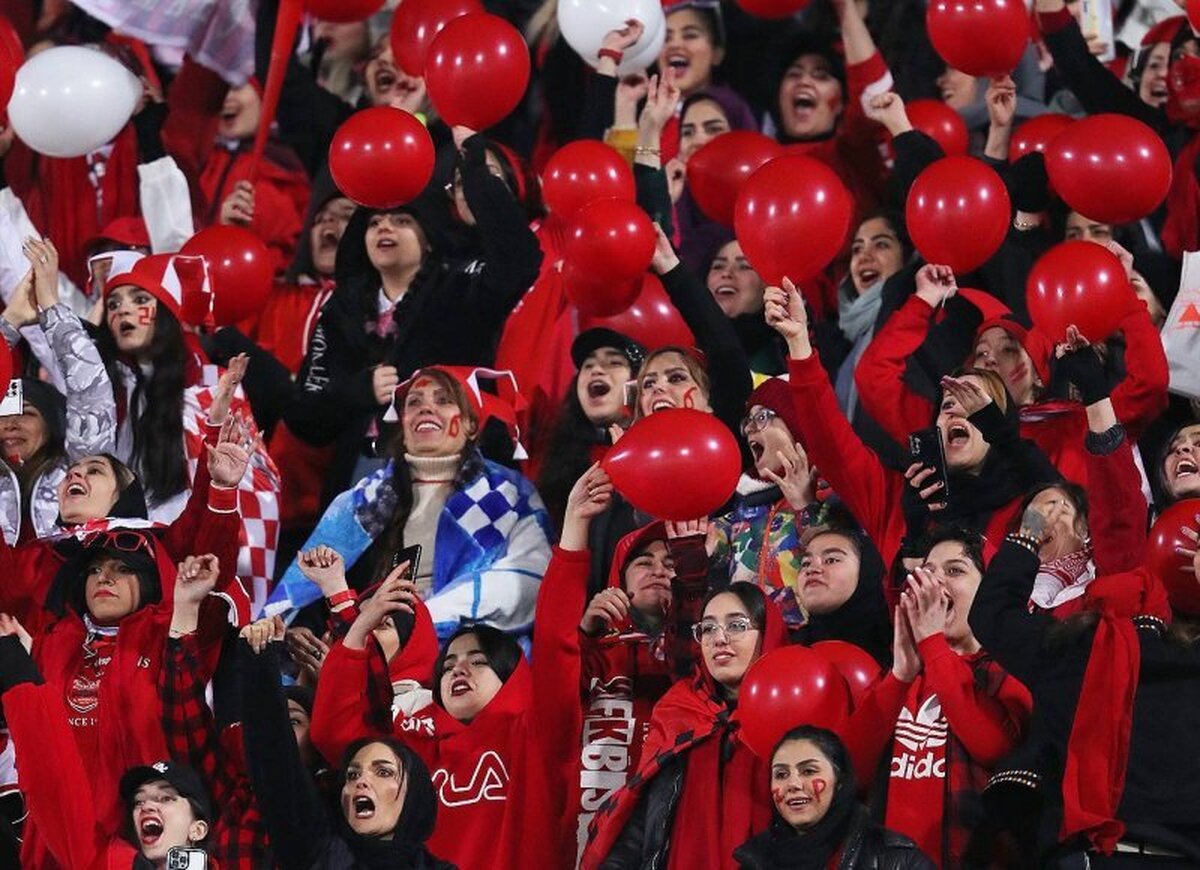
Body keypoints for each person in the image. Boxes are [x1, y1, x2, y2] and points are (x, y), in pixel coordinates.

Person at [309, 517, 584, 870]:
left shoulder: (537, 739)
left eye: (479, 661)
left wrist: (576, 530)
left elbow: (556, 642)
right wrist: (357, 619)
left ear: (513, 676)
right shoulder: (410, 742)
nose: (459, 669)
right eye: (450, 662)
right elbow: (333, 734)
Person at [283, 130, 543, 504]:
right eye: (374, 223)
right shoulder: (342, 310)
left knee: (430, 564)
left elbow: (520, 261)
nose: (384, 228)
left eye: (401, 221)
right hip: (363, 477)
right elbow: (303, 414)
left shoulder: (460, 290)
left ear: (429, 239)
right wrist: (358, 391)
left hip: (453, 478)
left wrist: (473, 163)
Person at [766, 275, 1060, 568]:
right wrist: (799, 342)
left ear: (998, 425)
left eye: (974, 403)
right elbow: (830, 442)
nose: (956, 411)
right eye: (947, 404)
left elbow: (1063, 509)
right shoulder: (896, 501)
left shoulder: (1028, 508)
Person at [969, 500, 1200, 865]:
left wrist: (1029, 532)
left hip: (1087, 856)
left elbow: (991, 613)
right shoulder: (1189, 659)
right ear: (1164, 612)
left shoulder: (1065, 652)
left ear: (1090, 606)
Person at [273, 366, 552, 644]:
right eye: (414, 402)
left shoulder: (511, 494)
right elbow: (298, 587)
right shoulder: (362, 501)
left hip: (472, 655)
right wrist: (283, 629)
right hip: (379, 650)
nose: (426, 408)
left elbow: (528, 581)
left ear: (470, 425)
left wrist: (419, 622)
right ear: (403, 425)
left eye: (443, 400)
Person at [0, 548, 227, 868]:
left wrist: (187, 607)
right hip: (60, 835)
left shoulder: (161, 637)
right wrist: (18, 664)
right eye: (93, 570)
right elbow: (45, 760)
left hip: (122, 842)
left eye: (122, 568)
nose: (104, 578)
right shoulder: (55, 642)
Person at [843, 527, 1032, 867]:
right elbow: (850, 773)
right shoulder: (901, 677)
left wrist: (933, 644)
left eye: (955, 570)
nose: (935, 583)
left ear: (989, 592)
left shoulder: (1008, 670)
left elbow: (993, 747)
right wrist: (900, 674)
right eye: (928, 572)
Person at [582, 583, 788, 869]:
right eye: (708, 628)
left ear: (768, 633)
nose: (719, 639)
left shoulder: (793, 714)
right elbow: (641, 822)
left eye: (737, 625)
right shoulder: (678, 709)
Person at [236, 617, 454, 869]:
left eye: (384, 771)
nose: (360, 781)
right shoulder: (319, 853)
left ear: (415, 795)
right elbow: (276, 766)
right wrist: (259, 656)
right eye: (351, 774)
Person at [569, 466, 708, 857]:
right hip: (591, 822)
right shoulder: (595, 646)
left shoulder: (703, 649)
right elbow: (552, 706)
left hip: (672, 826)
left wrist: (690, 594)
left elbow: (692, 673)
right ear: (620, 578)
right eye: (644, 561)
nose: (660, 571)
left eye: (671, 563)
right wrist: (583, 638)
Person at [0, 238, 115, 543]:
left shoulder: (77, 472)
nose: (10, 423)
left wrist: (51, 307)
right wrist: (9, 323)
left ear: (53, 424)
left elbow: (91, 393)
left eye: (26, 413)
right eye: (3, 415)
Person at [733, 726, 935, 869]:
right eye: (781, 774)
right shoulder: (755, 860)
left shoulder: (898, 860)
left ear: (840, 781)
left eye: (809, 771)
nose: (793, 785)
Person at [708, 378, 824, 628]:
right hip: (748, 640)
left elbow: (835, 555)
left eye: (761, 417)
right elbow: (708, 562)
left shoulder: (829, 491)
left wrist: (805, 507)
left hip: (806, 639)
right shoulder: (740, 508)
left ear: (796, 424)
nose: (750, 428)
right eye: (747, 421)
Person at [535, 328, 645, 531]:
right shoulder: (558, 462)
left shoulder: (656, 454)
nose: (596, 370)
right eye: (588, 365)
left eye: (614, 363)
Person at [793, 525, 893, 667]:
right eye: (806, 563)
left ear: (867, 571)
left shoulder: (903, 652)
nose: (812, 570)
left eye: (831, 560)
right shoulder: (786, 654)